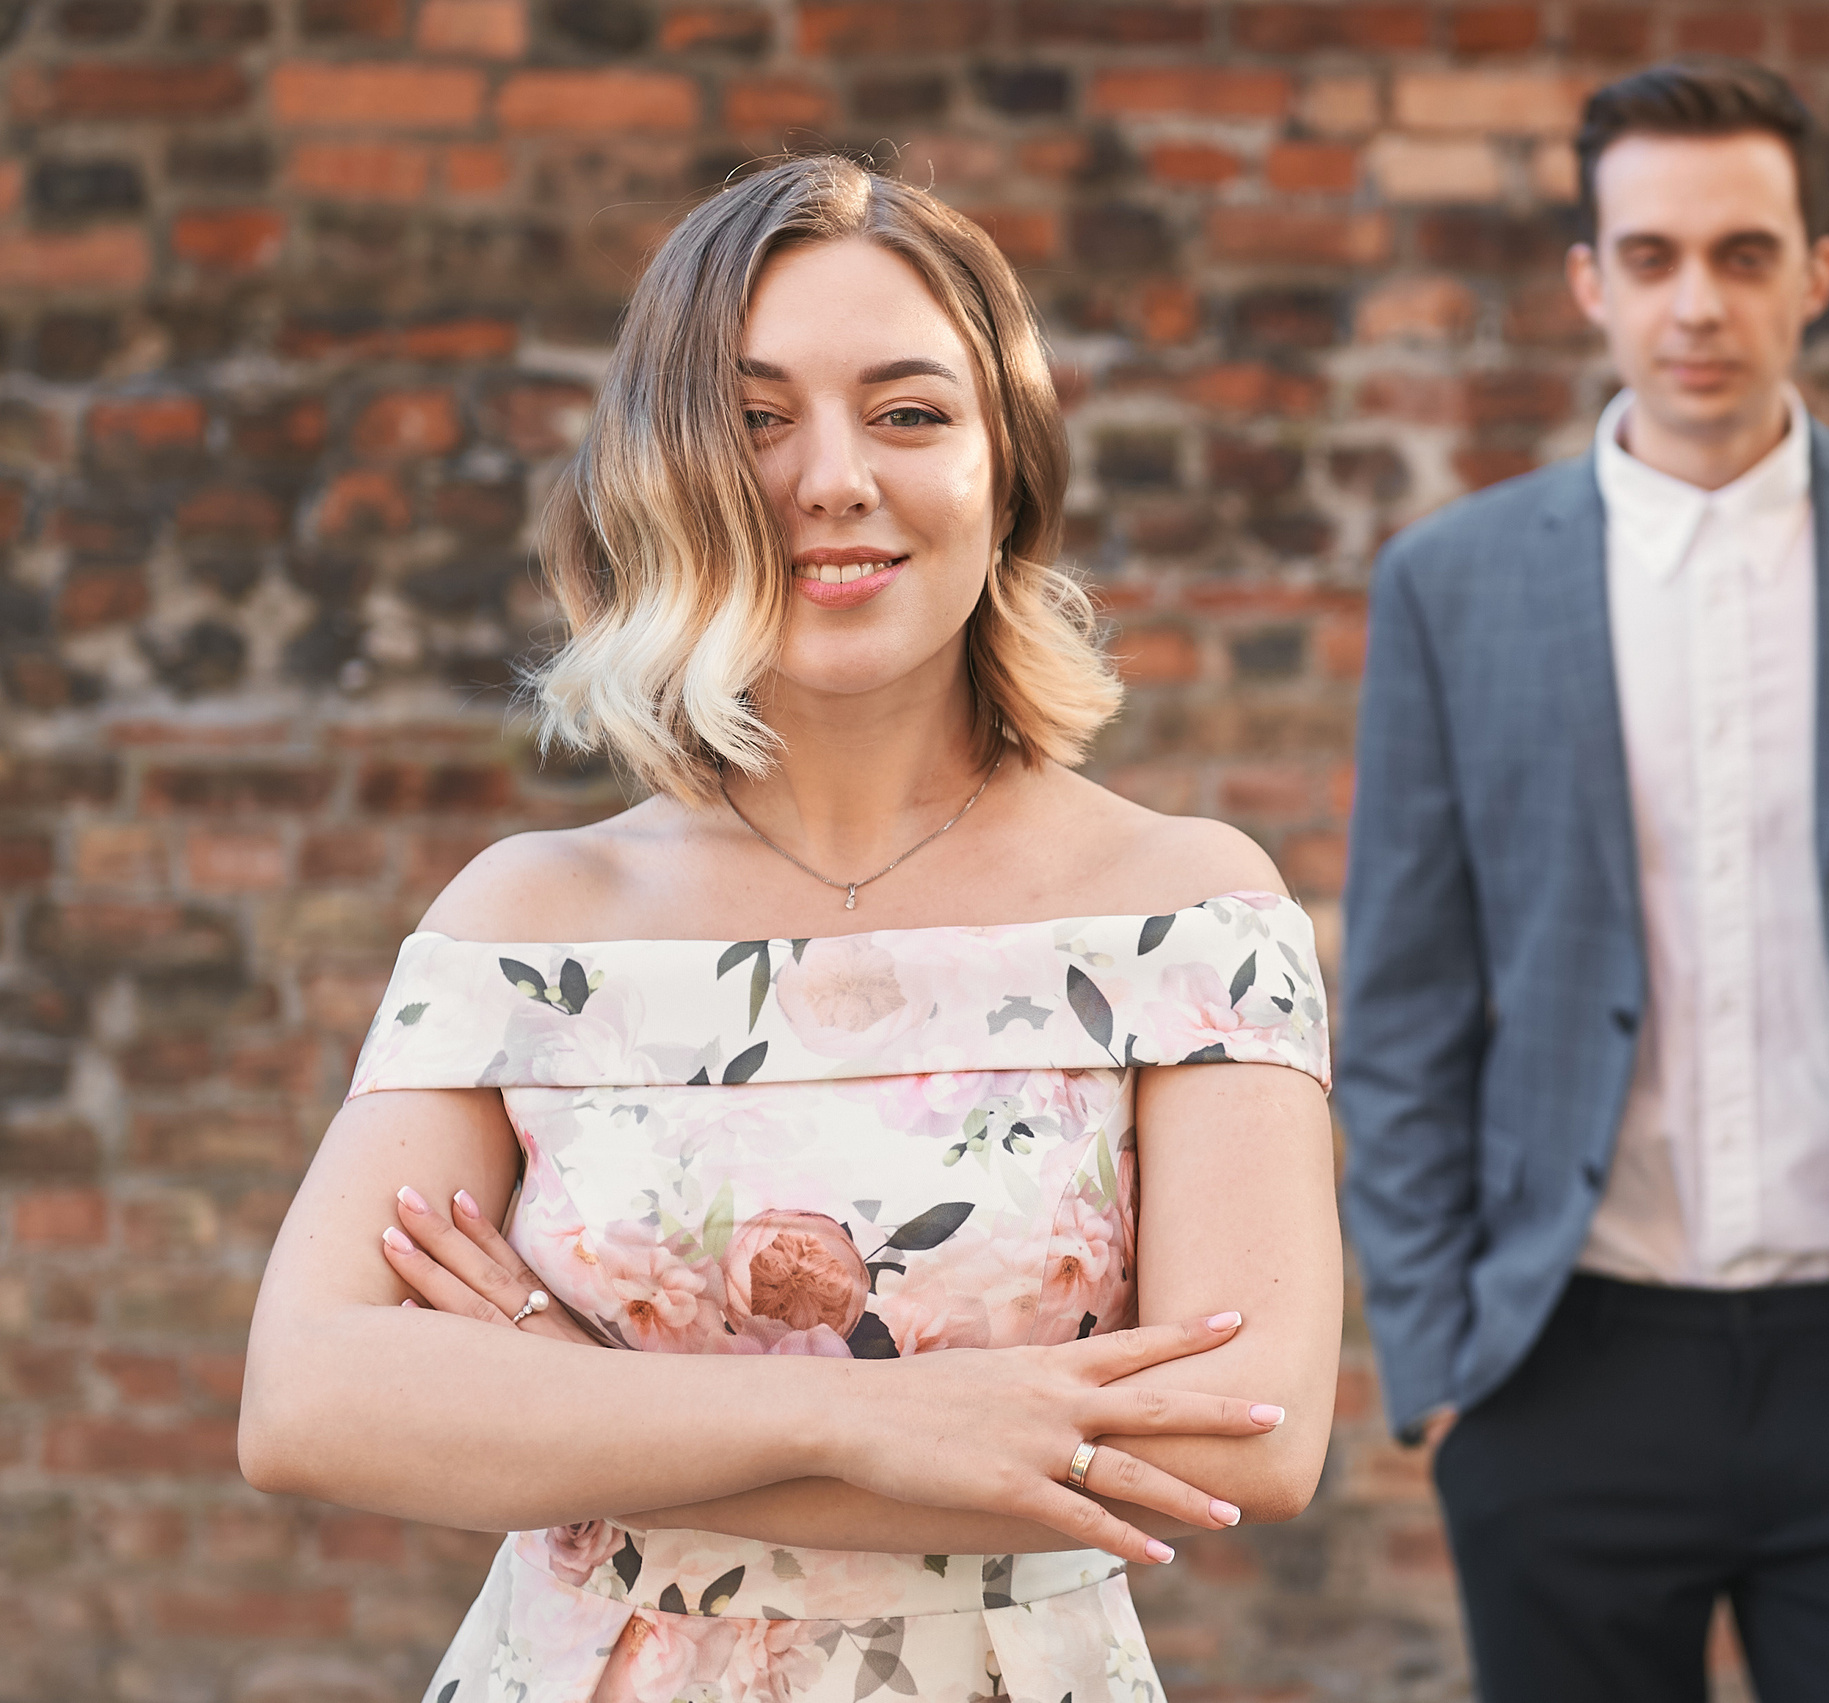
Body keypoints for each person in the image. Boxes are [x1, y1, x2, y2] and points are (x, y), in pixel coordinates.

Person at [239, 155, 1341, 1703]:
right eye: (757, 419)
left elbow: (1250, 1433)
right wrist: (872, 1421)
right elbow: (306, 1399)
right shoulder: (531, 922)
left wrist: (572, 1412)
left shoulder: (1185, 910)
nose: (832, 480)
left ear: (1005, 469)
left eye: (908, 413)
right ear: (663, 471)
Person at [1336, 62, 1829, 1703]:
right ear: (1589, 282)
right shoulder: (1452, 585)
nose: (1700, 303)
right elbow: (1401, 1001)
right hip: (1566, 1369)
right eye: (1656, 257)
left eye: (1745, 254)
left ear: (1817, 272)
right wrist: (1440, 1369)